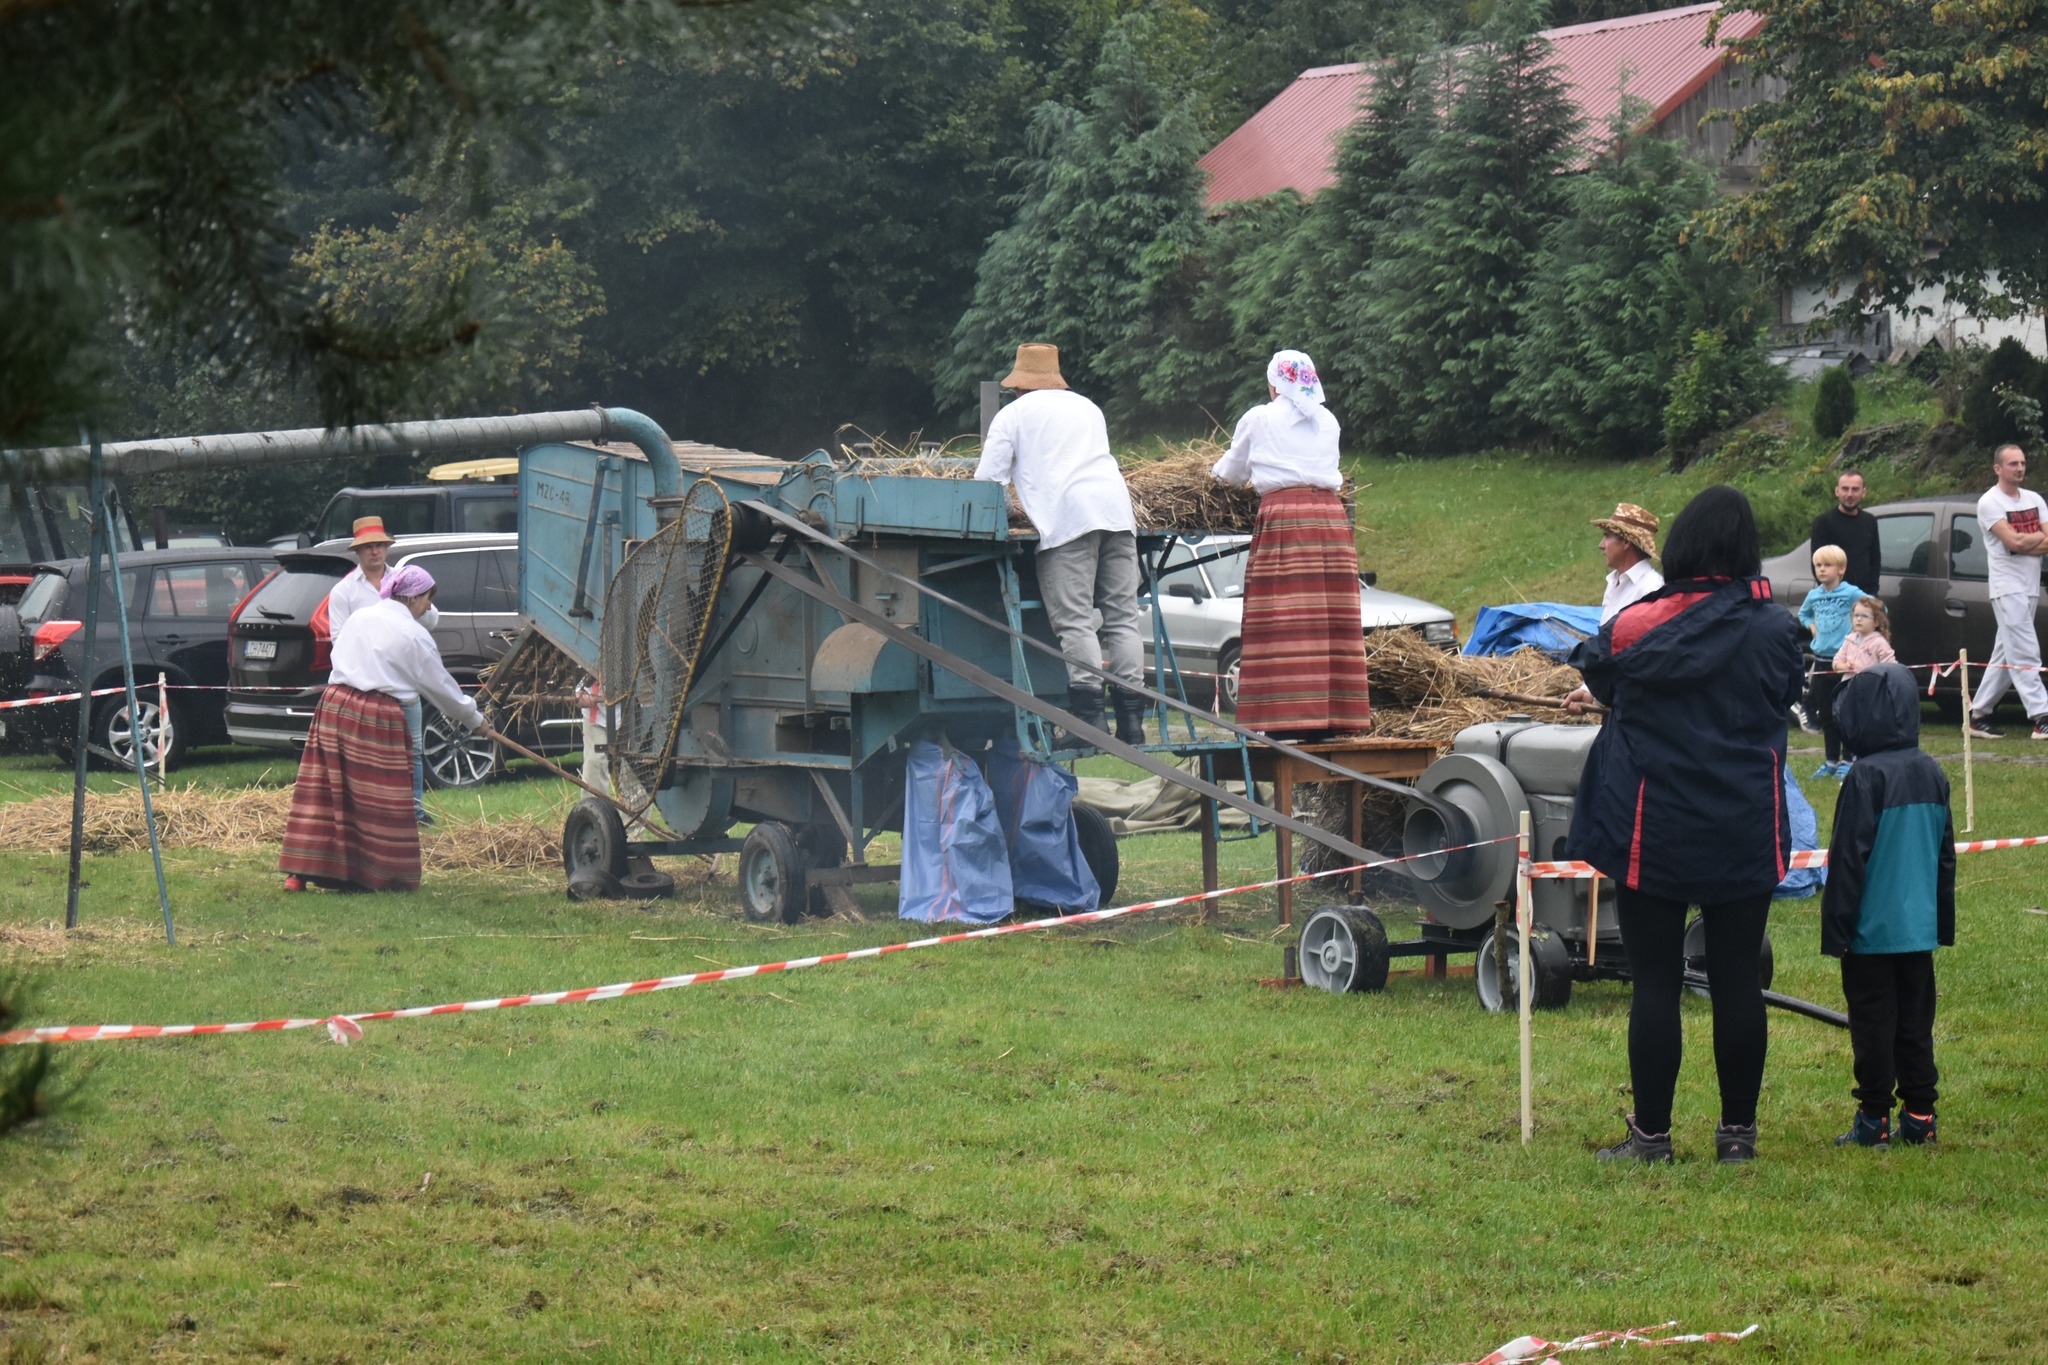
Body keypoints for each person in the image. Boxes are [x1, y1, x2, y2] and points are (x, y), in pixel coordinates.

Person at [1565, 485, 1805, 1165]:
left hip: (1655, 823)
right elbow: (1786, 692)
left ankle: (1652, 1138)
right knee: (1736, 979)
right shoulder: (1777, 628)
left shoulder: (1642, 620)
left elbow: (1601, 673)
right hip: (1742, 822)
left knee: (1657, 981)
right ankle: (1737, 1136)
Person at [279, 565, 494, 892]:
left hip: (334, 705)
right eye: (427, 600)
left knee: (325, 791)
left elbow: (341, 657)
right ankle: (375, 875)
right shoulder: (414, 635)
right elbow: (443, 691)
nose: (427, 608)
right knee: (377, 799)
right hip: (377, 714)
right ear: (416, 598)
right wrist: (475, 720)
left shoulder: (360, 617)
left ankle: (299, 874)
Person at [974, 343, 1145, 744]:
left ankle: (1089, 723)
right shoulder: (1088, 407)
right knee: (1122, 618)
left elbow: (987, 483)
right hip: (1118, 514)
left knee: (1075, 622)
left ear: (1018, 386)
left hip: (1068, 520)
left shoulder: (1012, 415)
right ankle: (1133, 725)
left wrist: (1013, 512)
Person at [1821, 662, 1955, 1149]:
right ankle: (1921, 1115)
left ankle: (1873, 1118)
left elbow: (1847, 861)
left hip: (1872, 933)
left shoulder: (1864, 777)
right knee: (1917, 1024)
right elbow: (1944, 856)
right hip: (1917, 931)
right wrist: (1941, 922)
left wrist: (1838, 929)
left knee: (1872, 1026)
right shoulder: (1933, 772)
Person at [1210, 349, 1370, 740]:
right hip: (1330, 520)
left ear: (1274, 383)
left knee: (1283, 614)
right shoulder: (1327, 420)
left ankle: (1282, 719)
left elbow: (1229, 472)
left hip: (1286, 519)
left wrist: (1212, 472)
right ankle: (1333, 718)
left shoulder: (1260, 417)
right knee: (1328, 617)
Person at [1964, 443, 2048, 741]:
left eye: (2022, 463)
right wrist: (2033, 538)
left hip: (2030, 584)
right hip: (2006, 586)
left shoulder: (2035, 499)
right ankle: (2042, 716)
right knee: (2026, 649)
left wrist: (2028, 540)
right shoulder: (1990, 502)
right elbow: (2013, 543)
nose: (2020, 468)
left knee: (2005, 652)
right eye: (2013, 463)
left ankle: (1979, 715)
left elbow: (2038, 541)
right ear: (1998, 468)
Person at [1799, 545, 1862, 778]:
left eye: (1827, 565)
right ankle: (1831, 760)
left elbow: (1876, 608)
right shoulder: (1814, 595)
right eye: (1818, 566)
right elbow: (1804, 614)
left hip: (1845, 662)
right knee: (1825, 713)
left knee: (1844, 711)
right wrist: (1811, 626)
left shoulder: (1851, 593)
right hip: (1821, 661)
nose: (1822, 570)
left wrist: (1859, 626)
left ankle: (1849, 758)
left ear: (1841, 569)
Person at [1810, 470, 1882, 595]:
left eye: (1855, 489)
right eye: (1845, 489)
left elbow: (1875, 561)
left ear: (1863, 492)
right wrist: (1833, 595)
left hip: (1864, 598)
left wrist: (1872, 594)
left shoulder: (1870, 521)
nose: (1850, 494)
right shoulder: (1824, 522)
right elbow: (1817, 563)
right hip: (1834, 598)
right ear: (1837, 491)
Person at [1594, 503, 1664, 625]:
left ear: (1626, 542)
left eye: (1607, 537)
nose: (1601, 545)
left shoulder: (1651, 588)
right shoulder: (1614, 581)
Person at [324, 516, 394, 636]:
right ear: (357, 551)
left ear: (386, 547)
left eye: (379, 545)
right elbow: (339, 640)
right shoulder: (343, 590)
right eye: (368, 547)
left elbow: (430, 620)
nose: (375, 552)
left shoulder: (403, 579)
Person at [1832, 596, 1896, 681]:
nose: (1859, 619)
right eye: (1856, 615)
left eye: (1865, 616)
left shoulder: (1879, 642)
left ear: (1876, 622)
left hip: (1870, 687)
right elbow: (1837, 661)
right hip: (1848, 686)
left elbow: (1891, 667)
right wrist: (1844, 666)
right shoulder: (1849, 639)